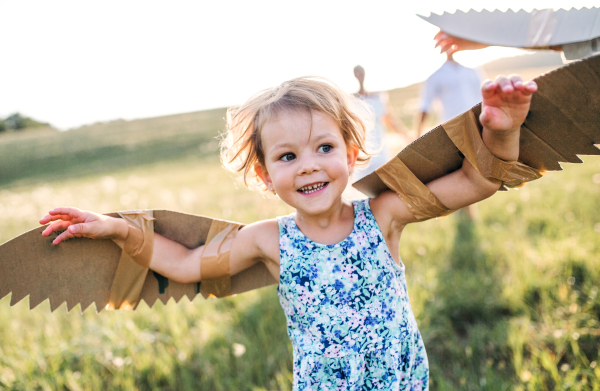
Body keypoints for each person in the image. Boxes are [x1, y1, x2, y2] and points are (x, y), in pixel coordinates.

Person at [39, 74, 537, 390]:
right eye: (287, 157)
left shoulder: (382, 216)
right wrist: (118, 229)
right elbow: (188, 266)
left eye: (323, 147)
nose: (307, 167)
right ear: (263, 174)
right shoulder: (269, 240)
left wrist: (502, 128)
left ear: (351, 150)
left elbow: (478, 180)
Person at [352, 65, 410, 182]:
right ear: (355, 75)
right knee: (365, 183)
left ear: (364, 74)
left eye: (361, 72)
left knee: (385, 180)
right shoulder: (352, 100)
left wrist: (406, 136)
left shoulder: (378, 97)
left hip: (380, 146)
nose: (360, 75)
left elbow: (389, 120)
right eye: (357, 73)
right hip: (362, 149)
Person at [416, 52, 484, 137]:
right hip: (453, 131)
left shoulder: (473, 71)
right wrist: (417, 136)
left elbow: (483, 98)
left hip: (479, 126)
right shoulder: (435, 77)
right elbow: (425, 106)